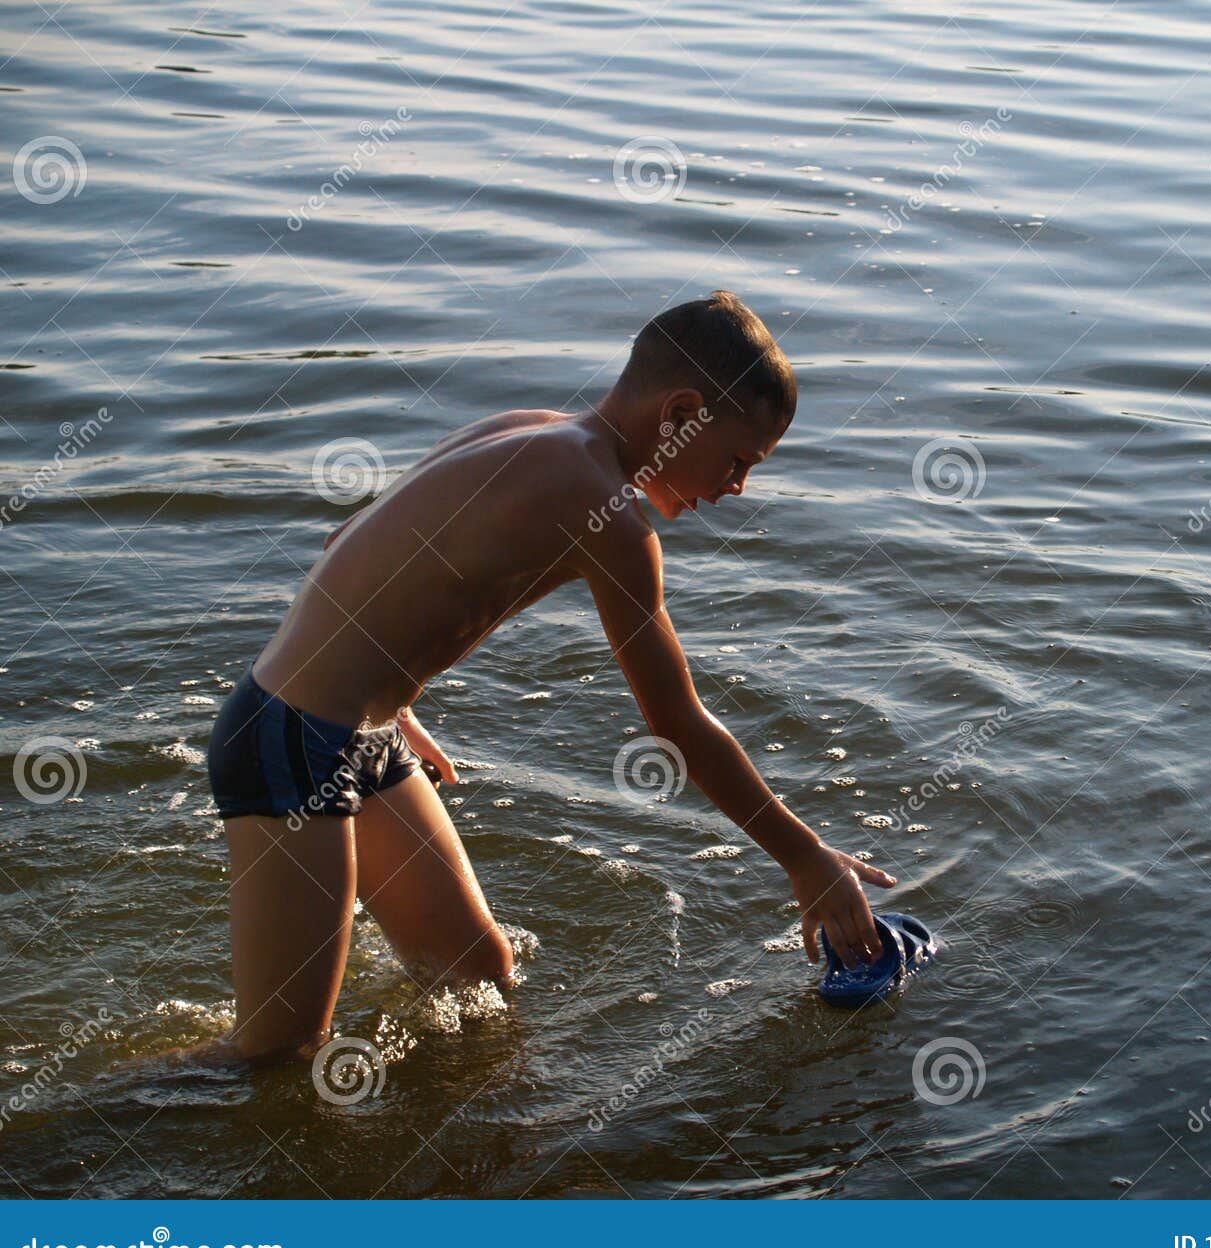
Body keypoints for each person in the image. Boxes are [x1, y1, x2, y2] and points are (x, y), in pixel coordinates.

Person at [205, 290, 895, 1062]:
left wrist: (387, 697)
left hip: (349, 729)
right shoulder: (608, 513)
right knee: (277, 1056)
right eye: (739, 461)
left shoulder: (534, 431)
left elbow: (349, 540)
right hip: (294, 740)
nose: (738, 488)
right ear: (681, 415)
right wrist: (806, 858)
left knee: (474, 980)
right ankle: (72, 1136)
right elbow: (676, 724)